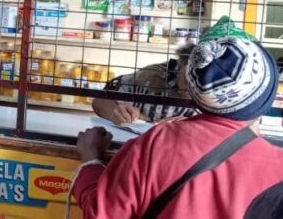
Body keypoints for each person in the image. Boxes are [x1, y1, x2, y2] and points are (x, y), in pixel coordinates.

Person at [73, 36, 283, 219]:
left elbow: (102, 214)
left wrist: (91, 161)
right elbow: (102, 98)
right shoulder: (277, 168)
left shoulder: (153, 145)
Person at [91, 44, 197, 125]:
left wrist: (190, 124)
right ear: (181, 64)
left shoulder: (212, 100)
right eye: (186, 78)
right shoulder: (152, 75)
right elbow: (99, 101)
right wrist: (115, 113)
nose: (188, 88)